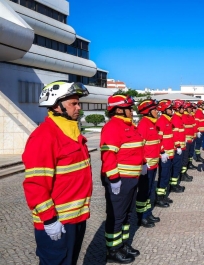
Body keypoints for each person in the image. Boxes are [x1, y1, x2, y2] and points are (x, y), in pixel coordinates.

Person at [22, 81, 92, 265]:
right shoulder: (44, 137)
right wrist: (49, 220)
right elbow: (35, 185)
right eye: (73, 104)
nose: (79, 108)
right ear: (56, 106)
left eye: (79, 103)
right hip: (57, 222)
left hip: (76, 218)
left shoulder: (72, 134)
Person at [100, 94, 144, 263]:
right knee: (116, 216)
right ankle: (112, 250)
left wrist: (143, 164)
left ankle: (122, 244)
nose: (131, 111)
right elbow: (108, 154)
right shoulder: (113, 126)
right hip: (120, 180)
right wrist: (114, 179)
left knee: (127, 214)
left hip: (131, 178)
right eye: (129, 108)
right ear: (119, 109)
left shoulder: (129, 126)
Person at [136, 99, 161, 228]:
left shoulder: (153, 123)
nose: (157, 111)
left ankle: (148, 212)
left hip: (154, 164)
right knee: (144, 191)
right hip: (147, 165)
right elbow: (140, 146)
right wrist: (143, 163)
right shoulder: (144, 124)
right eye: (155, 109)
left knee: (150, 190)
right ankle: (141, 216)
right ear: (148, 111)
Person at [155, 99, 181, 209]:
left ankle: (163, 195)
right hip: (165, 155)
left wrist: (177, 147)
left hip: (170, 154)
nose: (172, 110)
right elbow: (158, 139)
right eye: (170, 108)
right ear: (164, 110)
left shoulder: (168, 120)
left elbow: (172, 137)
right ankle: (159, 198)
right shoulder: (161, 121)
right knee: (163, 176)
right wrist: (162, 151)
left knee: (167, 176)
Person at [171, 100, 193, 185]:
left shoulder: (179, 117)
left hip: (182, 145)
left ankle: (183, 175)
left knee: (183, 162)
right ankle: (174, 184)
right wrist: (178, 146)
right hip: (178, 148)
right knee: (176, 166)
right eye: (182, 108)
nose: (184, 109)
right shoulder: (176, 119)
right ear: (177, 108)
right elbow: (175, 134)